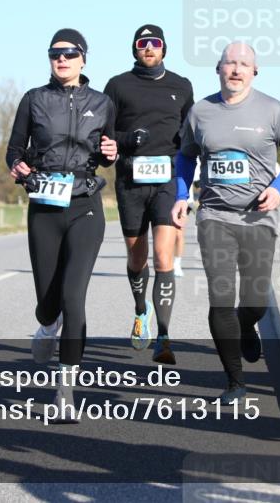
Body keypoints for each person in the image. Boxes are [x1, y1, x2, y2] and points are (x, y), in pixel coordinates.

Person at [172, 42, 280, 402]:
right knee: (221, 299)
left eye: (243, 64)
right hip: (214, 215)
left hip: (258, 218)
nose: (236, 69)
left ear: (254, 71)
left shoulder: (273, 110)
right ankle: (235, 381)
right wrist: (181, 195)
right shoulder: (201, 112)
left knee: (256, 300)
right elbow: (185, 158)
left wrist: (278, 188)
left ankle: (248, 326)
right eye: (229, 63)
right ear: (218, 69)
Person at [6, 28, 118, 420]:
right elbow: (15, 150)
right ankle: (45, 325)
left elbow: (107, 152)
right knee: (48, 301)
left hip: (85, 205)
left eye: (69, 53)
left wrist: (112, 149)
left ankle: (65, 389)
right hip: (45, 208)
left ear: (83, 58)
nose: (62, 59)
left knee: (74, 297)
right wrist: (18, 167)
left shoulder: (102, 102)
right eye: (55, 53)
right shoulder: (34, 100)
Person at [103, 25, 194, 365]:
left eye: (155, 43)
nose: (149, 48)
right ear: (135, 50)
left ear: (164, 49)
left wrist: (190, 179)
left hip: (167, 180)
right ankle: (141, 311)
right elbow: (105, 132)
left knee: (163, 256)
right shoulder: (117, 85)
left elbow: (191, 135)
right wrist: (128, 140)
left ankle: (164, 337)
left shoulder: (181, 86)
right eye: (143, 44)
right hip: (130, 181)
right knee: (137, 258)